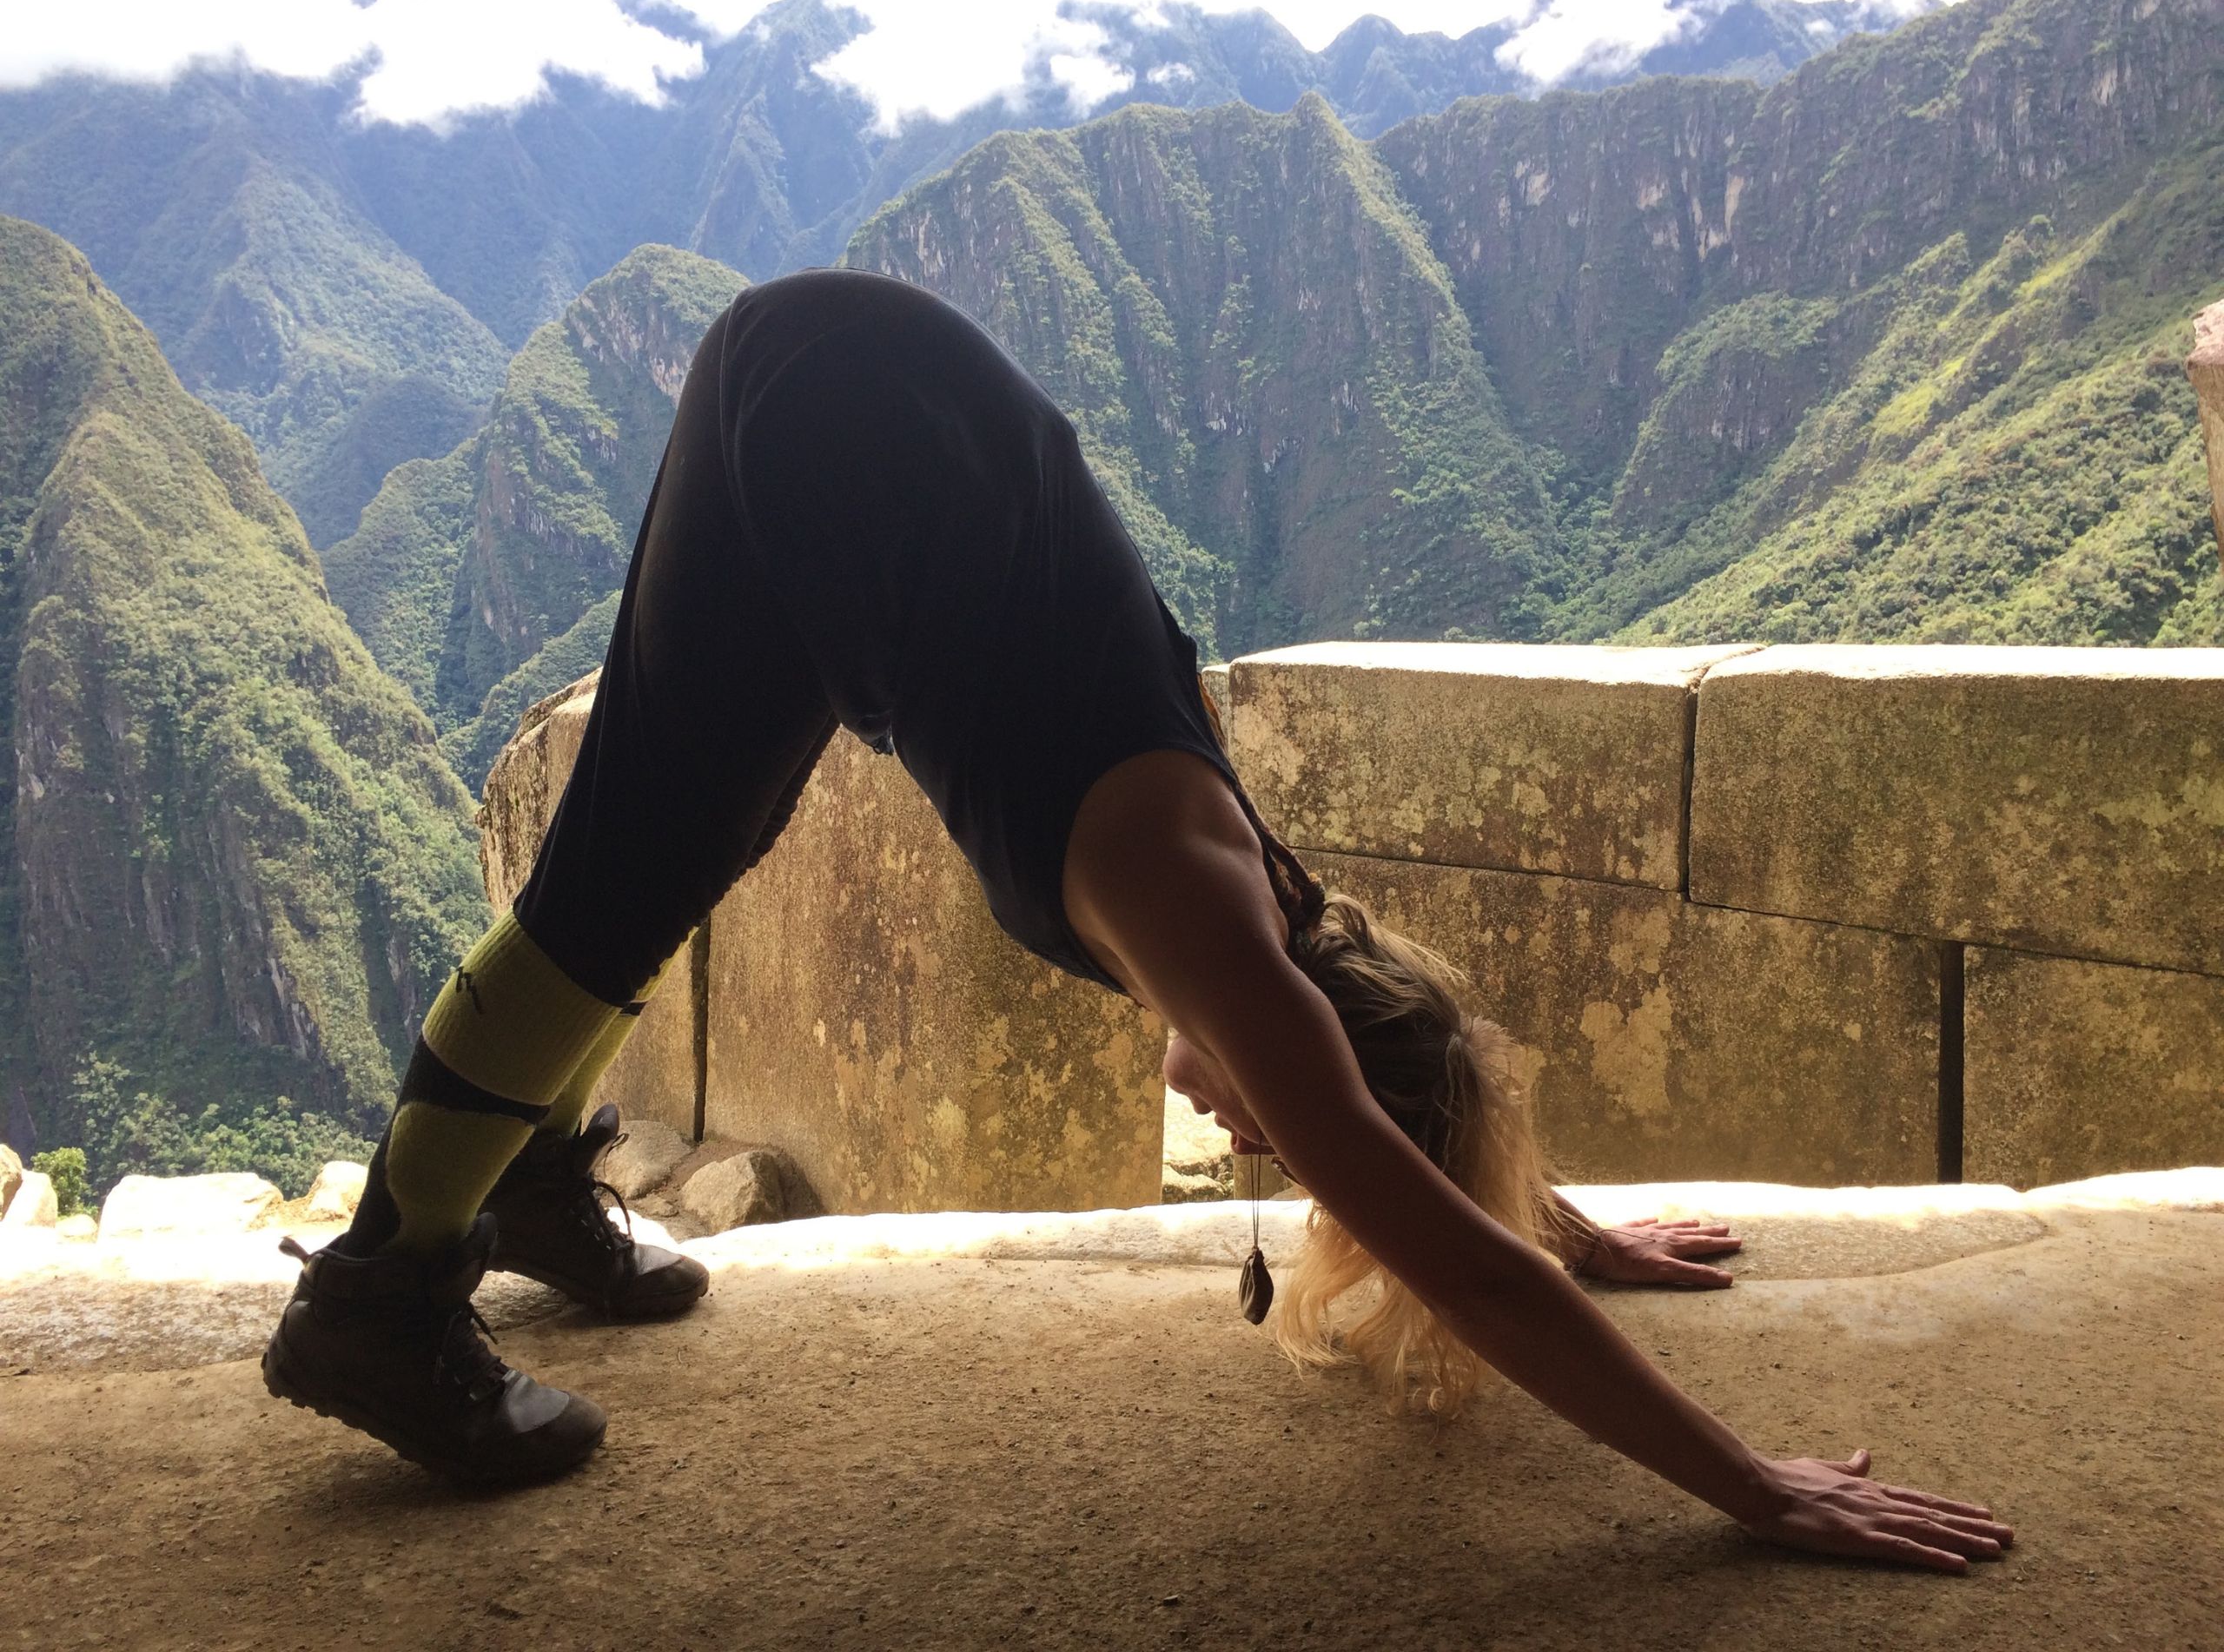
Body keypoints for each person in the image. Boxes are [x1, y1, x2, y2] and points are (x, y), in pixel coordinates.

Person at [263, 269, 2009, 1572]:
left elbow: (1416, 1067)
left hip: (905, 436)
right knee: (627, 867)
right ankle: (380, 1294)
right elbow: (1441, 1243)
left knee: (695, 832)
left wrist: (1561, 1216)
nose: (1222, 1118)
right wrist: (1753, 1484)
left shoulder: (1282, 908)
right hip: (829, 421)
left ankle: (514, 1176)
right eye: (1271, 1124)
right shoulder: (1202, 913)